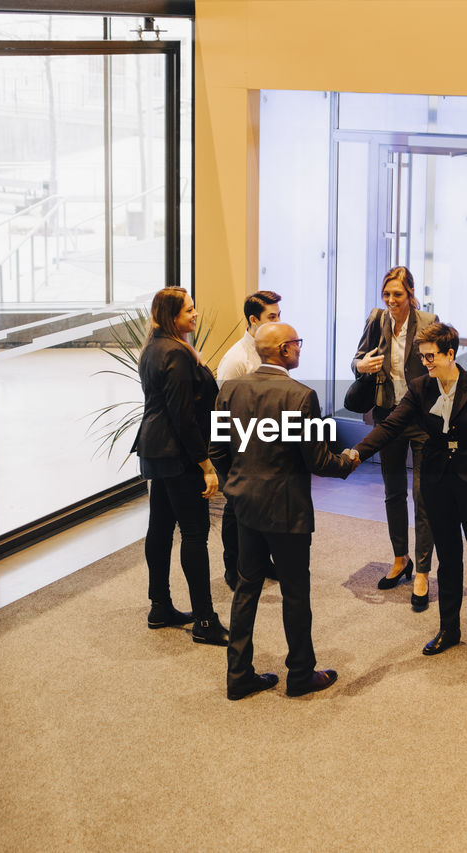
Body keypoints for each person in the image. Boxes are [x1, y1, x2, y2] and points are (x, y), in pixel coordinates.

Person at [349, 322, 467, 656]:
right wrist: (357, 452)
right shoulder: (420, 388)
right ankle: (449, 629)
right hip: (438, 483)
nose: (426, 362)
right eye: (422, 356)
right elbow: (390, 426)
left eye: (431, 356)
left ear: (450, 354)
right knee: (448, 558)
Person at [211, 323, 357, 700]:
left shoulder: (230, 390)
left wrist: (233, 487)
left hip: (245, 506)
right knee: (295, 593)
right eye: (297, 343)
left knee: (247, 588)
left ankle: (238, 675)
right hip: (287, 511)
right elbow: (318, 460)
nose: (299, 349)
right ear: (282, 350)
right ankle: (300, 676)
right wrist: (349, 460)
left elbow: (216, 451)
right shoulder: (300, 396)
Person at [132, 287, 229, 646]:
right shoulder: (176, 353)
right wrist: (205, 463)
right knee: (194, 533)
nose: (195, 314)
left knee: (160, 526)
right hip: (178, 454)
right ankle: (204, 619)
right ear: (173, 316)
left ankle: (160, 607)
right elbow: (183, 416)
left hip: (156, 451)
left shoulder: (155, 348)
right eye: (189, 310)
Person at [351, 267, 436, 610]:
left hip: (420, 418)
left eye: (397, 295)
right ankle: (401, 559)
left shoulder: (428, 321)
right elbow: (355, 361)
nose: (390, 301)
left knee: (423, 495)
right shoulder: (377, 319)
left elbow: (439, 365)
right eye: (386, 294)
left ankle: (423, 572)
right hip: (387, 416)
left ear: (410, 294)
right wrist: (362, 367)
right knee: (393, 492)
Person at [214, 290, 283, 589]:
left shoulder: (272, 349)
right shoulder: (235, 360)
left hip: (269, 441)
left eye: (279, 315)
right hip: (241, 443)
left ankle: (262, 561)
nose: (278, 321)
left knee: (266, 506)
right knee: (236, 508)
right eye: (272, 317)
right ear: (253, 320)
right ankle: (233, 568)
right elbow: (223, 409)